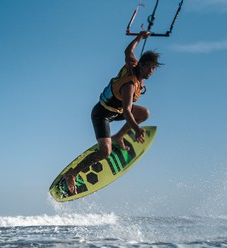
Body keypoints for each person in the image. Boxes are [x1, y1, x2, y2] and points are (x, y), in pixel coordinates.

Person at [64, 31, 162, 195]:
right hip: (102, 114)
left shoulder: (132, 62)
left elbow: (128, 51)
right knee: (105, 152)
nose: (152, 71)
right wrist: (136, 130)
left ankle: (118, 136)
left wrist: (139, 37)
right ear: (142, 65)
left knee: (144, 113)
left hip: (115, 112)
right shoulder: (130, 85)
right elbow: (127, 112)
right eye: (150, 67)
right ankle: (72, 174)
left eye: (154, 68)